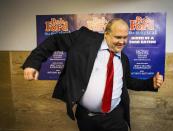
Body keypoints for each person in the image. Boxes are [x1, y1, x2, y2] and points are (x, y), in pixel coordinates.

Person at [22, 18, 164, 131]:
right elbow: (54, 41)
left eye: (125, 37)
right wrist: (33, 63)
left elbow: (128, 82)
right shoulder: (84, 39)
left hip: (114, 118)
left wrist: (149, 83)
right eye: (118, 37)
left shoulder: (124, 59)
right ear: (106, 34)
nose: (122, 42)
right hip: (87, 119)